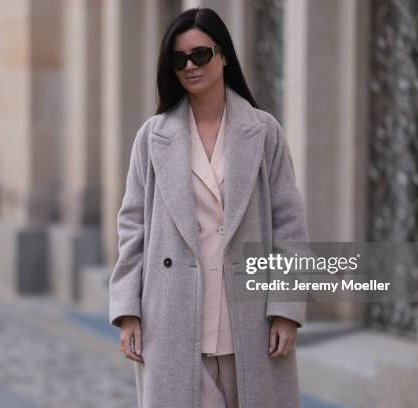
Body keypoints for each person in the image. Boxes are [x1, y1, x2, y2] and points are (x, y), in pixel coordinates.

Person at [108, 7, 309, 408]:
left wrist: (286, 309)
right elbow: (132, 228)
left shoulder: (263, 131)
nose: (190, 66)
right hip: (172, 314)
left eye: (200, 54)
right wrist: (128, 309)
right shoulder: (152, 137)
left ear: (224, 56)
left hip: (248, 318)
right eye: (179, 59)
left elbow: (289, 226)